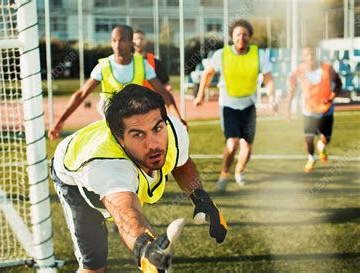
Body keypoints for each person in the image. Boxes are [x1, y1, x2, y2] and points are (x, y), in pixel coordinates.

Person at [51, 84, 227, 273]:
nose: (153, 144)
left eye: (157, 128)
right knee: (93, 266)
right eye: (138, 134)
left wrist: (201, 198)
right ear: (120, 139)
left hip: (105, 159)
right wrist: (145, 248)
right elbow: (125, 212)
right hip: (73, 176)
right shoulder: (106, 166)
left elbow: (181, 164)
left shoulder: (173, 129)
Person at [48, 25, 183, 140]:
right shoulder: (104, 65)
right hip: (111, 125)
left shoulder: (142, 64)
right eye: (114, 40)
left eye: (122, 40)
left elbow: (163, 92)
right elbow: (81, 94)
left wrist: (178, 118)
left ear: (131, 43)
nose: (117, 45)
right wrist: (60, 122)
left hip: (136, 124)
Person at [193, 19, 276, 192]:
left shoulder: (259, 55)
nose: (241, 38)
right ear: (232, 36)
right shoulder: (221, 55)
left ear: (250, 37)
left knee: (248, 146)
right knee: (232, 143)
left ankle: (239, 172)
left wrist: (272, 97)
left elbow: (268, 78)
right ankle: (224, 174)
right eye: (238, 34)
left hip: (249, 106)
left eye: (245, 35)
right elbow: (207, 74)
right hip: (228, 106)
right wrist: (200, 94)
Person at [286, 46, 342, 173]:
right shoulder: (299, 72)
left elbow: (338, 83)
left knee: (325, 139)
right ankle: (311, 158)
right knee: (308, 138)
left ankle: (321, 147)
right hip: (309, 111)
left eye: (312, 54)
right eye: (306, 54)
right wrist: (287, 109)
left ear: (316, 55)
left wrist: (331, 97)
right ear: (303, 57)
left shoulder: (327, 69)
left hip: (326, 110)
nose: (310, 57)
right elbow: (291, 91)